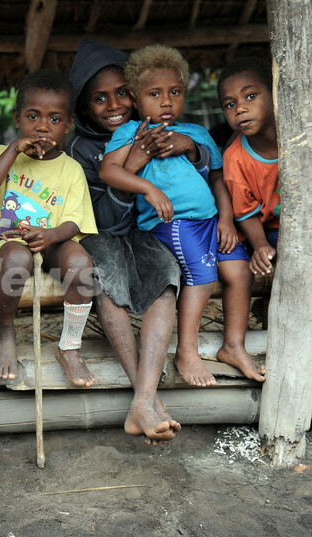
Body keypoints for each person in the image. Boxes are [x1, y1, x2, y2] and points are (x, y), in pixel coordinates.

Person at [100, 45, 261, 387]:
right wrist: (149, 189)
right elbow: (109, 172)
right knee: (202, 277)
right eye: (154, 94)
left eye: (175, 92)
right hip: (173, 224)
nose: (166, 102)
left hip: (211, 222)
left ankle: (233, 345)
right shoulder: (129, 133)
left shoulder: (197, 133)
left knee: (239, 272)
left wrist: (226, 219)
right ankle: (186, 351)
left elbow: (218, 178)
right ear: (135, 97)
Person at [0, 69, 98, 387]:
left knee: (82, 264)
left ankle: (70, 346)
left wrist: (53, 235)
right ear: (17, 119)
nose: (42, 126)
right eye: (33, 116)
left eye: (54, 119)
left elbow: (74, 221)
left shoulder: (71, 169)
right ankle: (5, 332)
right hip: (11, 241)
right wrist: (13, 151)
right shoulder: (2, 156)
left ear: (68, 125)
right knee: (18, 260)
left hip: (54, 241)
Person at [218, 56, 278, 370]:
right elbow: (245, 211)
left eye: (250, 96)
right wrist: (260, 246)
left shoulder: (298, 137)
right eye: (229, 104)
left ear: (276, 92)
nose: (240, 107)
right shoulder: (236, 157)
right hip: (263, 229)